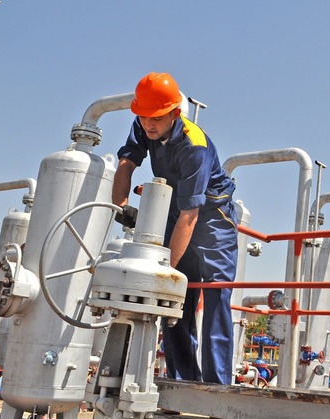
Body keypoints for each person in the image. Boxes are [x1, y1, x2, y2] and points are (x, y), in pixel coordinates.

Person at [113, 72, 237, 385]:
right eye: (143, 117)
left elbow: (190, 215)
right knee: (175, 299)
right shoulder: (145, 123)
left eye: (155, 118)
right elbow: (127, 163)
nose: (148, 124)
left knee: (215, 296)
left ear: (174, 113)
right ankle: (182, 379)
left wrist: (165, 269)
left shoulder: (194, 146)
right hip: (175, 212)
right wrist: (121, 205)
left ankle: (217, 386)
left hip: (212, 218)